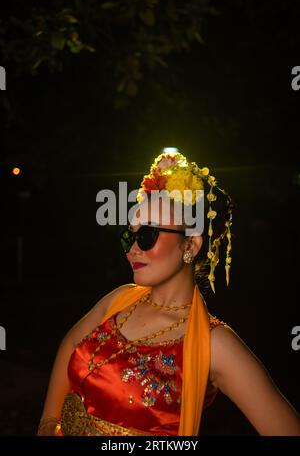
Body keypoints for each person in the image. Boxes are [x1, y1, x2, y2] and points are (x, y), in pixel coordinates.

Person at [37, 152, 300, 436]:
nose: (132, 249)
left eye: (147, 235)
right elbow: (70, 344)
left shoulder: (216, 344)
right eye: (129, 235)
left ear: (190, 245)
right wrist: (48, 424)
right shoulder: (119, 300)